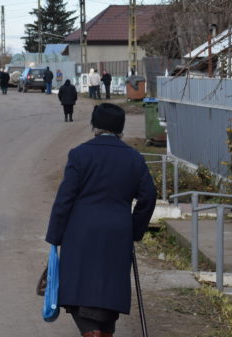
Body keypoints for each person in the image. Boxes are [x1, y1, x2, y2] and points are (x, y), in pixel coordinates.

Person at [45, 103, 157, 337]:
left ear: (94, 125)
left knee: (78, 287)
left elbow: (65, 198)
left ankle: (92, 332)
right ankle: (100, 332)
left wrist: (55, 236)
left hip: (81, 232)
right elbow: (148, 196)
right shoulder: (134, 158)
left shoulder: (80, 154)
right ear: (120, 128)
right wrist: (135, 230)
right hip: (118, 232)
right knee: (109, 289)